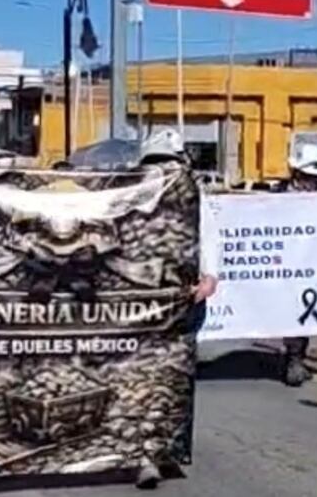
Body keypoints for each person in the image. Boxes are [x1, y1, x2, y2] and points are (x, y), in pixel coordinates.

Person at [135, 128, 218, 490]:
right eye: (156, 163)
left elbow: (210, 234)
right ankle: (145, 453)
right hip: (141, 306)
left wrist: (210, 277)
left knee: (175, 377)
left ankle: (167, 445)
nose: (163, 170)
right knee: (143, 376)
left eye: (168, 162)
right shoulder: (131, 197)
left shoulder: (195, 195)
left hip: (184, 300)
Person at [274, 143, 317, 387]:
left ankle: (296, 357)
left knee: (305, 314)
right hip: (281, 266)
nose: (312, 183)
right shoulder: (277, 196)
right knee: (288, 313)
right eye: (307, 177)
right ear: (295, 174)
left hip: (311, 267)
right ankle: (293, 358)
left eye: (316, 178)